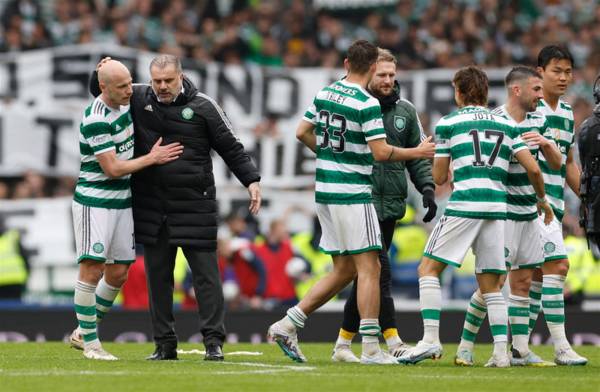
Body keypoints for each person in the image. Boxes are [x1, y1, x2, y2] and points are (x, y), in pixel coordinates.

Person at [267, 39, 435, 365]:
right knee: (370, 267)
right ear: (372, 67)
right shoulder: (366, 103)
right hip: (354, 194)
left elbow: (302, 132)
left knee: (344, 270)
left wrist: (331, 157)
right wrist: (418, 152)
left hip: (325, 193)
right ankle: (371, 348)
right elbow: (382, 152)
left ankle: (288, 324)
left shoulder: (325, 93)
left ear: (346, 63)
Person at [92, 55, 261, 361]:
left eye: (168, 80)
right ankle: (164, 344)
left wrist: (251, 180)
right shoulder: (138, 96)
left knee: (206, 278)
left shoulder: (204, 106)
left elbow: (231, 147)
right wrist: (103, 70)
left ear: (181, 76)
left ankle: (213, 342)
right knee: (158, 278)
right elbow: (103, 91)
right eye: (157, 81)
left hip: (195, 204)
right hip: (152, 207)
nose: (162, 86)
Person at [397, 65, 553, 368]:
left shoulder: (449, 123)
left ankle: (430, 340)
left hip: (466, 204)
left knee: (427, 269)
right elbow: (533, 169)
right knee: (491, 284)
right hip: (497, 208)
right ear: (485, 92)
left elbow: (440, 178)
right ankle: (499, 354)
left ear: (459, 91)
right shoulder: (506, 126)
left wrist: (433, 155)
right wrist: (542, 200)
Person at [72, 60, 183, 361]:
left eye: (130, 82)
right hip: (95, 200)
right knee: (92, 268)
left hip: (122, 201)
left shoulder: (125, 102)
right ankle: (92, 345)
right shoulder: (95, 118)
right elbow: (112, 169)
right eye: (121, 87)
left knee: (119, 272)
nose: (129, 91)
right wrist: (153, 158)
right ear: (103, 88)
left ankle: (83, 330)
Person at [331, 48, 436, 363]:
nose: (388, 80)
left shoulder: (405, 111)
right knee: (378, 272)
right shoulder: (353, 107)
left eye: (392, 75)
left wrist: (427, 188)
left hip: (390, 205)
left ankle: (342, 344)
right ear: (369, 73)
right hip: (357, 200)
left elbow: (417, 154)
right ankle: (392, 340)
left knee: (367, 276)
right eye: (382, 75)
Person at [454, 66, 562, 367]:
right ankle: (465, 345)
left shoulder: (541, 119)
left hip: (529, 212)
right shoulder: (496, 120)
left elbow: (556, 163)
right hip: (502, 214)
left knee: (524, 282)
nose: (541, 95)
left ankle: (521, 349)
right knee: (493, 282)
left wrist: (546, 144)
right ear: (518, 90)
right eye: (536, 90)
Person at [527, 45, 588, 365]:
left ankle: (515, 347)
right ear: (540, 72)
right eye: (556, 71)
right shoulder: (528, 109)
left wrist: (589, 199)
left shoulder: (566, 113)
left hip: (553, 205)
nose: (563, 77)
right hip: (532, 205)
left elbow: (568, 164)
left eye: (568, 72)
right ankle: (561, 347)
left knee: (531, 278)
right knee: (557, 267)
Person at [0, 215, 30, 301]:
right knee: (15, 312)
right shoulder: (12, 238)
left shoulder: (12, 238)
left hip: (13, 282)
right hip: (16, 281)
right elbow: (25, 259)